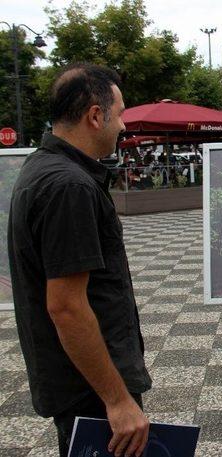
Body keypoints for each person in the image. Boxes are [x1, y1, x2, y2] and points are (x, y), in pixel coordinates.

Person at [8, 63, 152, 457]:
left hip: (78, 385)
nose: (123, 126)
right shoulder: (68, 185)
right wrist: (119, 400)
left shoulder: (42, 169)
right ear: (94, 115)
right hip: (92, 395)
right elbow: (67, 307)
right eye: (120, 113)